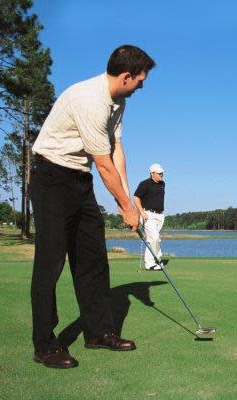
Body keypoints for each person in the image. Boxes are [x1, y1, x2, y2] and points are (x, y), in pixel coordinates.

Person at [28, 45, 155, 369]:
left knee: (93, 257)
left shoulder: (118, 101)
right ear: (126, 76)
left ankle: (98, 332)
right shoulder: (90, 99)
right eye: (140, 79)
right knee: (51, 260)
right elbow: (103, 164)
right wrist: (124, 207)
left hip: (78, 180)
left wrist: (130, 201)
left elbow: (116, 150)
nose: (142, 84)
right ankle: (44, 344)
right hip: (51, 177)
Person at [133, 163, 166, 270]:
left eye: (162, 173)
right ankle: (157, 259)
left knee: (152, 239)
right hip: (148, 215)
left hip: (160, 215)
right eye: (159, 173)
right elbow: (136, 198)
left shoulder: (163, 184)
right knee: (155, 238)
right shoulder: (145, 184)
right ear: (152, 173)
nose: (161, 175)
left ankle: (149, 263)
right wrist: (141, 212)